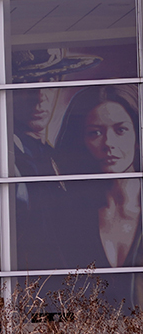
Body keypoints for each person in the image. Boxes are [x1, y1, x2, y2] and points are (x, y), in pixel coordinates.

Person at [47, 85, 142, 297]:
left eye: (121, 130)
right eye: (95, 133)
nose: (108, 143)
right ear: (82, 141)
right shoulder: (66, 217)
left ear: (138, 137)